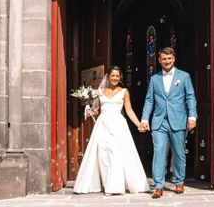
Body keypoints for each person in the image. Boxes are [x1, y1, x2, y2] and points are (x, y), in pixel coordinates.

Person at [73, 66, 150, 195]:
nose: (115, 78)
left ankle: (114, 187)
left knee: (116, 154)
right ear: (107, 77)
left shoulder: (124, 91)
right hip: (102, 126)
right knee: (103, 155)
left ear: (120, 78)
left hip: (118, 126)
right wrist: (89, 110)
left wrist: (139, 124)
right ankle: (107, 183)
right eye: (112, 75)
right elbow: (96, 110)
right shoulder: (100, 91)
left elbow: (129, 110)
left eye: (117, 76)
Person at [139, 47, 197, 199]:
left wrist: (192, 117)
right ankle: (158, 185)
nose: (166, 61)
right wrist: (145, 119)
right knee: (159, 153)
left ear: (174, 58)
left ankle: (179, 181)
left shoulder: (184, 76)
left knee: (179, 152)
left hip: (178, 120)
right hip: (159, 122)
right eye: (163, 59)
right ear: (159, 60)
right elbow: (149, 100)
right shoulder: (155, 79)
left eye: (169, 58)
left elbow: (190, 97)